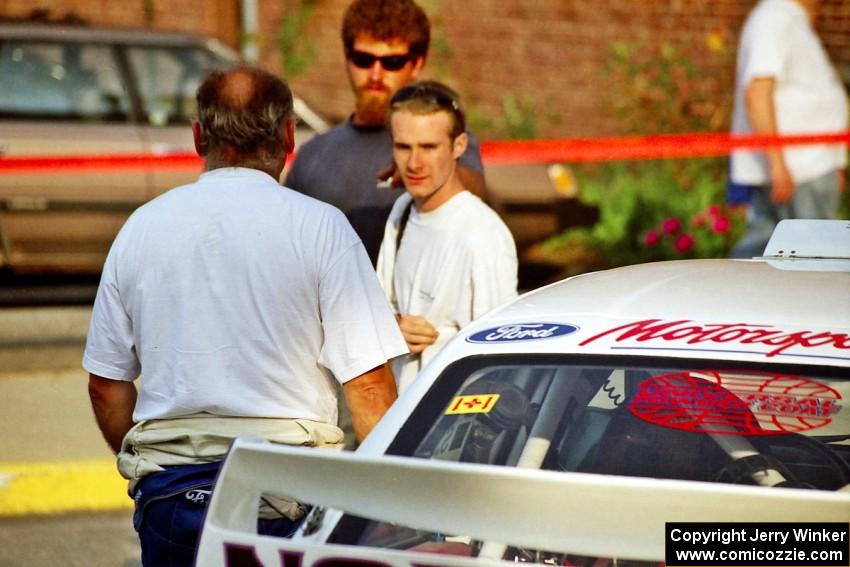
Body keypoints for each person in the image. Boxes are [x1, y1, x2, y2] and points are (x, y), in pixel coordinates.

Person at [83, 66, 407, 567]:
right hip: (292, 493)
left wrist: (152, 462)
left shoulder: (141, 229)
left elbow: (106, 385)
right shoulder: (322, 229)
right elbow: (368, 388)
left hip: (173, 496)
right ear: (287, 135)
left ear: (197, 138)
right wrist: (388, 506)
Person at [285, 0, 486, 266]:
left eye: (392, 62)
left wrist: (430, 171)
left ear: (416, 64)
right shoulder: (313, 154)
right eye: (363, 59)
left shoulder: (444, 139)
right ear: (347, 57)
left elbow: (474, 193)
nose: (376, 74)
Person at [377, 81, 517, 392]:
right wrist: (394, 328)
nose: (414, 163)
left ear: (459, 146)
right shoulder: (401, 211)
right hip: (401, 415)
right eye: (403, 147)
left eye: (429, 147)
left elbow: (499, 355)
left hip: (455, 421)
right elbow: (379, 311)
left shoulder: (483, 233)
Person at [729, 0, 848, 258]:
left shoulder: (786, 18)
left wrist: (832, 160)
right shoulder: (774, 19)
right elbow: (758, 91)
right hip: (797, 173)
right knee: (813, 264)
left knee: (764, 259)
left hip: (805, 169)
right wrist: (778, 163)